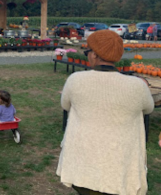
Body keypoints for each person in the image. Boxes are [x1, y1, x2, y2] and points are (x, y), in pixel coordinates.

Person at [57, 30, 154, 195]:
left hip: (83, 164)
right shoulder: (138, 86)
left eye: (87, 52)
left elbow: (65, 105)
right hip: (119, 166)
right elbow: (149, 108)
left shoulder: (76, 80)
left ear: (94, 55)